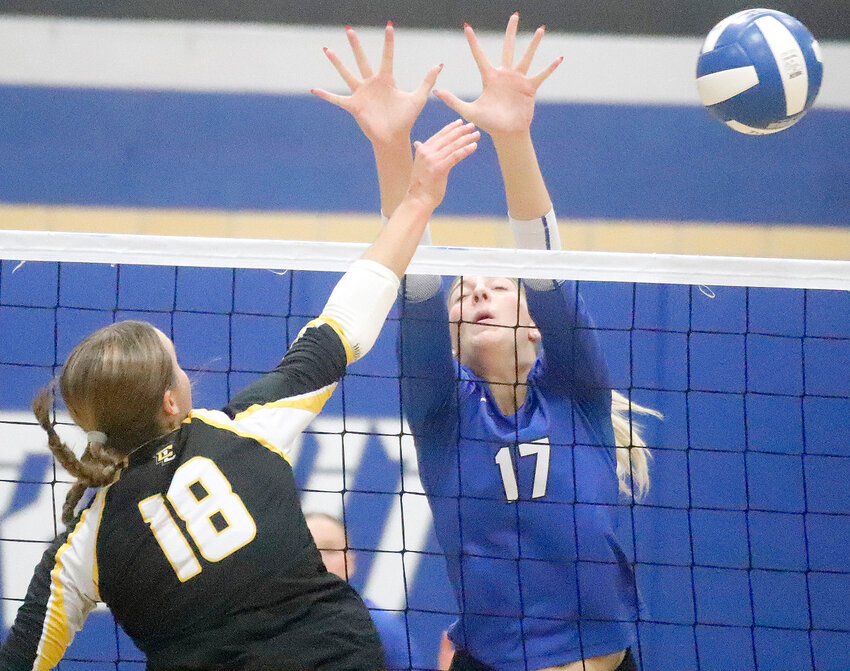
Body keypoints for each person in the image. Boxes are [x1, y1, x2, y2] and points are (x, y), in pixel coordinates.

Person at [0, 120, 479, 670]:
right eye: (178, 366)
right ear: (171, 403)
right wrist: (419, 197)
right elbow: (348, 317)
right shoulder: (242, 429)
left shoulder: (81, 551)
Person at [314, 15, 659, 671]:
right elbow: (414, 281)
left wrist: (514, 138)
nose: (472, 293)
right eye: (463, 293)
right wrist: (393, 152)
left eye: (495, 287)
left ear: (534, 324)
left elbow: (546, 265)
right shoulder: (443, 414)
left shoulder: (576, 396)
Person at [305, 512, 419, 670]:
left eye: (330, 550)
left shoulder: (380, 628)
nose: (319, 559)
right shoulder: (265, 622)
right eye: (308, 549)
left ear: (349, 562)